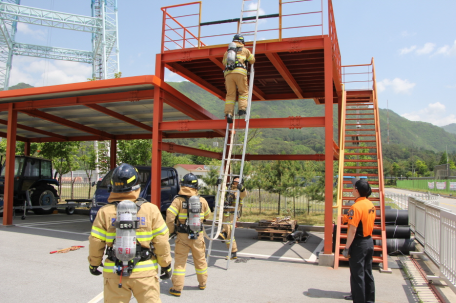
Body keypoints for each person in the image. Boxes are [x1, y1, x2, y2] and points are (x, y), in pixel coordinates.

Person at [88, 163, 172, 303]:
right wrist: (165, 264)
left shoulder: (104, 212)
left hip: (115, 272)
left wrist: (94, 263)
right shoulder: (151, 210)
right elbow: (161, 241)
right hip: (145, 273)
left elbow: (95, 241)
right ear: (137, 186)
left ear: (113, 186)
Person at [166, 173, 211, 297]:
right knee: (200, 260)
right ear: (196, 186)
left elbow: (170, 216)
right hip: (198, 235)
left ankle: (177, 288)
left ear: (183, 184)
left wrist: (171, 231)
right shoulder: (201, 200)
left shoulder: (178, 200)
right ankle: (202, 283)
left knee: (180, 262)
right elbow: (208, 215)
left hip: (182, 236)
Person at [341, 178, 376, 303]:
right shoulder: (370, 204)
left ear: (357, 190)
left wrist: (346, 248)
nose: (352, 189)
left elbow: (352, 230)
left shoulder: (356, 207)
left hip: (358, 244)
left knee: (357, 276)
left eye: (353, 187)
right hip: (369, 242)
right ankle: (370, 300)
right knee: (367, 274)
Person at [222, 34, 256, 123]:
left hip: (228, 74)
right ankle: (242, 110)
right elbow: (252, 60)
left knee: (230, 95)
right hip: (240, 73)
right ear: (242, 42)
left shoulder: (227, 52)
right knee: (243, 92)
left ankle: (229, 113)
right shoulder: (245, 50)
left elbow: (223, 63)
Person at [219, 177, 246, 259]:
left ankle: (224, 234)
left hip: (232, 214)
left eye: (238, 181)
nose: (235, 182)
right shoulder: (229, 189)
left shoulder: (239, 191)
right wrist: (220, 184)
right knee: (229, 234)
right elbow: (223, 190)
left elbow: (243, 194)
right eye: (235, 180)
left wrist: (242, 189)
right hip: (225, 213)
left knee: (229, 232)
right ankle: (233, 252)